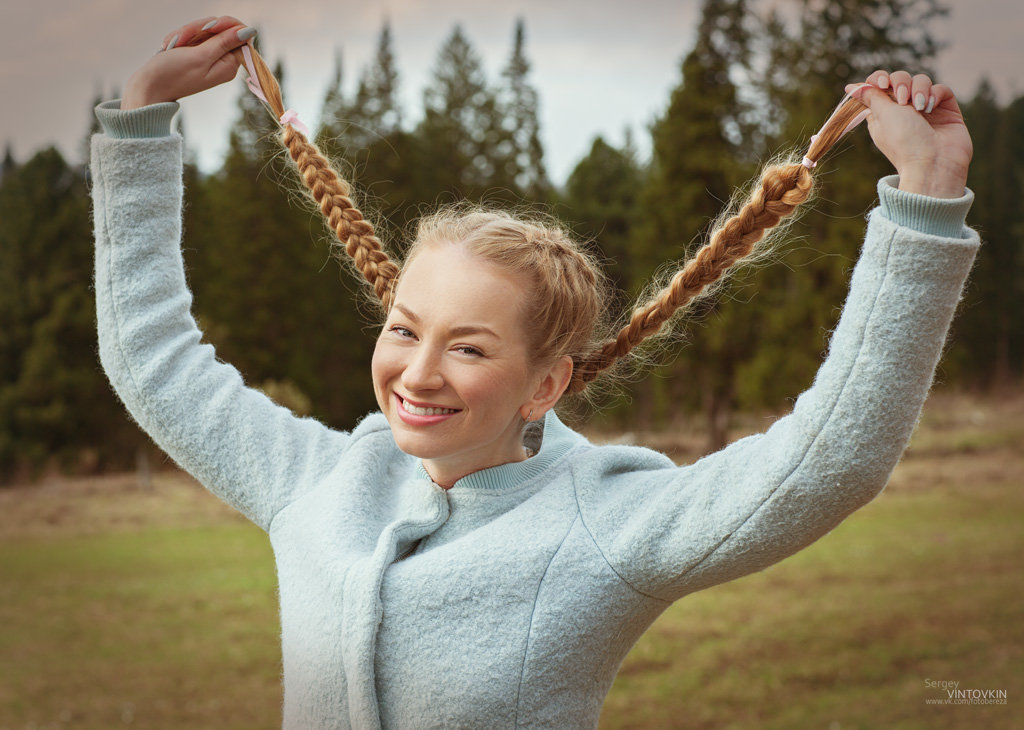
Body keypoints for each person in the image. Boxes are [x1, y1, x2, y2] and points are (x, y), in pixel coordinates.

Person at [91, 15, 978, 729]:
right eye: (406, 329)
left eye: (469, 347)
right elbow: (154, 361)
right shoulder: (316, 482)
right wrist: (139, 118)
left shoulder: (605, 524)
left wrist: (927, 199)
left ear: (545, 383)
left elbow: (832, 461)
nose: (419, 374)